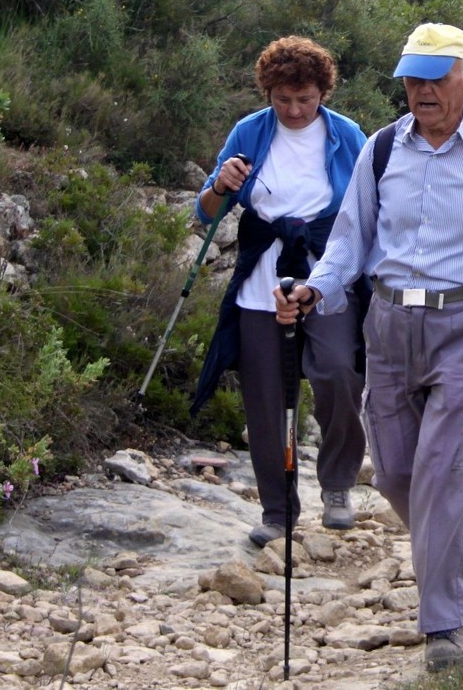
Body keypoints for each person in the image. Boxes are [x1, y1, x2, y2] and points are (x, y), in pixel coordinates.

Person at [276, 23, 463, 673]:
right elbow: (348, 241)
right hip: (388, 327)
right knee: (397, 474)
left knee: (441, 473)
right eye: (412, 79)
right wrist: (315, 289)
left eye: (436, 78)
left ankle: (445, 626)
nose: (422, 91)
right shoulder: (381, 150)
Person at [191, 36, 368, 545]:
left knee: (339, 370)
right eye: (282, 99)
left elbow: (369, 206)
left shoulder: (347, 136)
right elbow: (206, 212)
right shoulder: (249, 132)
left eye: (304, 99)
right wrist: (221, 184)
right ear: (267, 92)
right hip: (261, 281)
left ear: (323, 93)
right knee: (265, 397)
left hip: (327, 272)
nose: (293, 110)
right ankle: (277, 510)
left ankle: (337, 484)